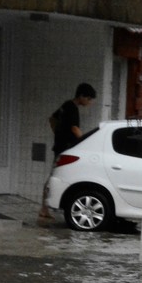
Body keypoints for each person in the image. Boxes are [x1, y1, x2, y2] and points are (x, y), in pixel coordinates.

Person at [43, 82, 96, 219]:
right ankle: (44, 208)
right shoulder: (72, 108)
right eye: (88, 99)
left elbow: (52, 119)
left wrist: (58, 133)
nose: (89, 102)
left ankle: (45, 208)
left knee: (54, 176)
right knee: (53, 177)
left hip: (60, 145)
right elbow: (75, 128)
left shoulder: (66, 105)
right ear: (81, 96)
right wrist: (86, 143)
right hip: (65, 147)